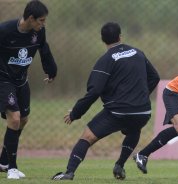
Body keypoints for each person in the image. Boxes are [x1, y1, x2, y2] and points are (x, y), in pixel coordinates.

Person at [51, 22, 160, 181]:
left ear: (103, 39)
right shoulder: (138, 53)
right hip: (143, 111)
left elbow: (94, 91)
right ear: (120, 36)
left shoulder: (106, 60)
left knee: (87, 137)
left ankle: (69, 172)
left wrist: (76, 113)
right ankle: (120, 165)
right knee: (134, 129)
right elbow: (155, 77)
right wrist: (140, 96)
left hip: (118, 111)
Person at [0, 0, 57, 180]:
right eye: (41, 20)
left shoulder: (38, 33)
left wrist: (51, 70)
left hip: (21, 81)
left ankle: (3, 161)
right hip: (3, 80)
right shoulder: (4, 30)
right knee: (14, 119)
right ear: (30, 18)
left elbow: (43, 49)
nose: (43, 24)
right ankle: (12, 168)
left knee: (23, 120)